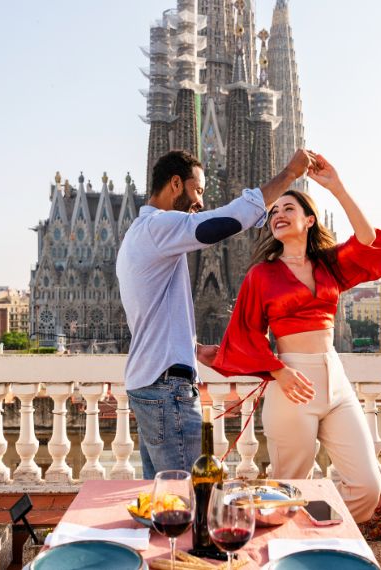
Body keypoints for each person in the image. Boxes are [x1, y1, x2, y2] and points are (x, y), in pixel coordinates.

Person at [205, 154, 381, 522]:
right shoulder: (261, 276)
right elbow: (246, 332)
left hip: (336, 382)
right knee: (286, 490)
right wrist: (279, 371)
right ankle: (290, 550)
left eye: (288, 207)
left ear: (309, 220)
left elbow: (368, 240)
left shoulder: (329, 265)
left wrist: (337, 186)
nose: (277, 213)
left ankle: (316, 530)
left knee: (368, 487)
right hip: (292, 385)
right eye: (273, 211)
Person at [117, 148, 317, 480]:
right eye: (198, 192)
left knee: (164, 498)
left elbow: (149, 315)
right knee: (192, 495)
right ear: (176, 184)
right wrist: (289, 174)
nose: (200, 203)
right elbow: (225, 222)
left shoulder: (139, 236)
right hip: (167, 391)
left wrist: (191, 349)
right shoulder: (158, 227)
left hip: (148, 383)